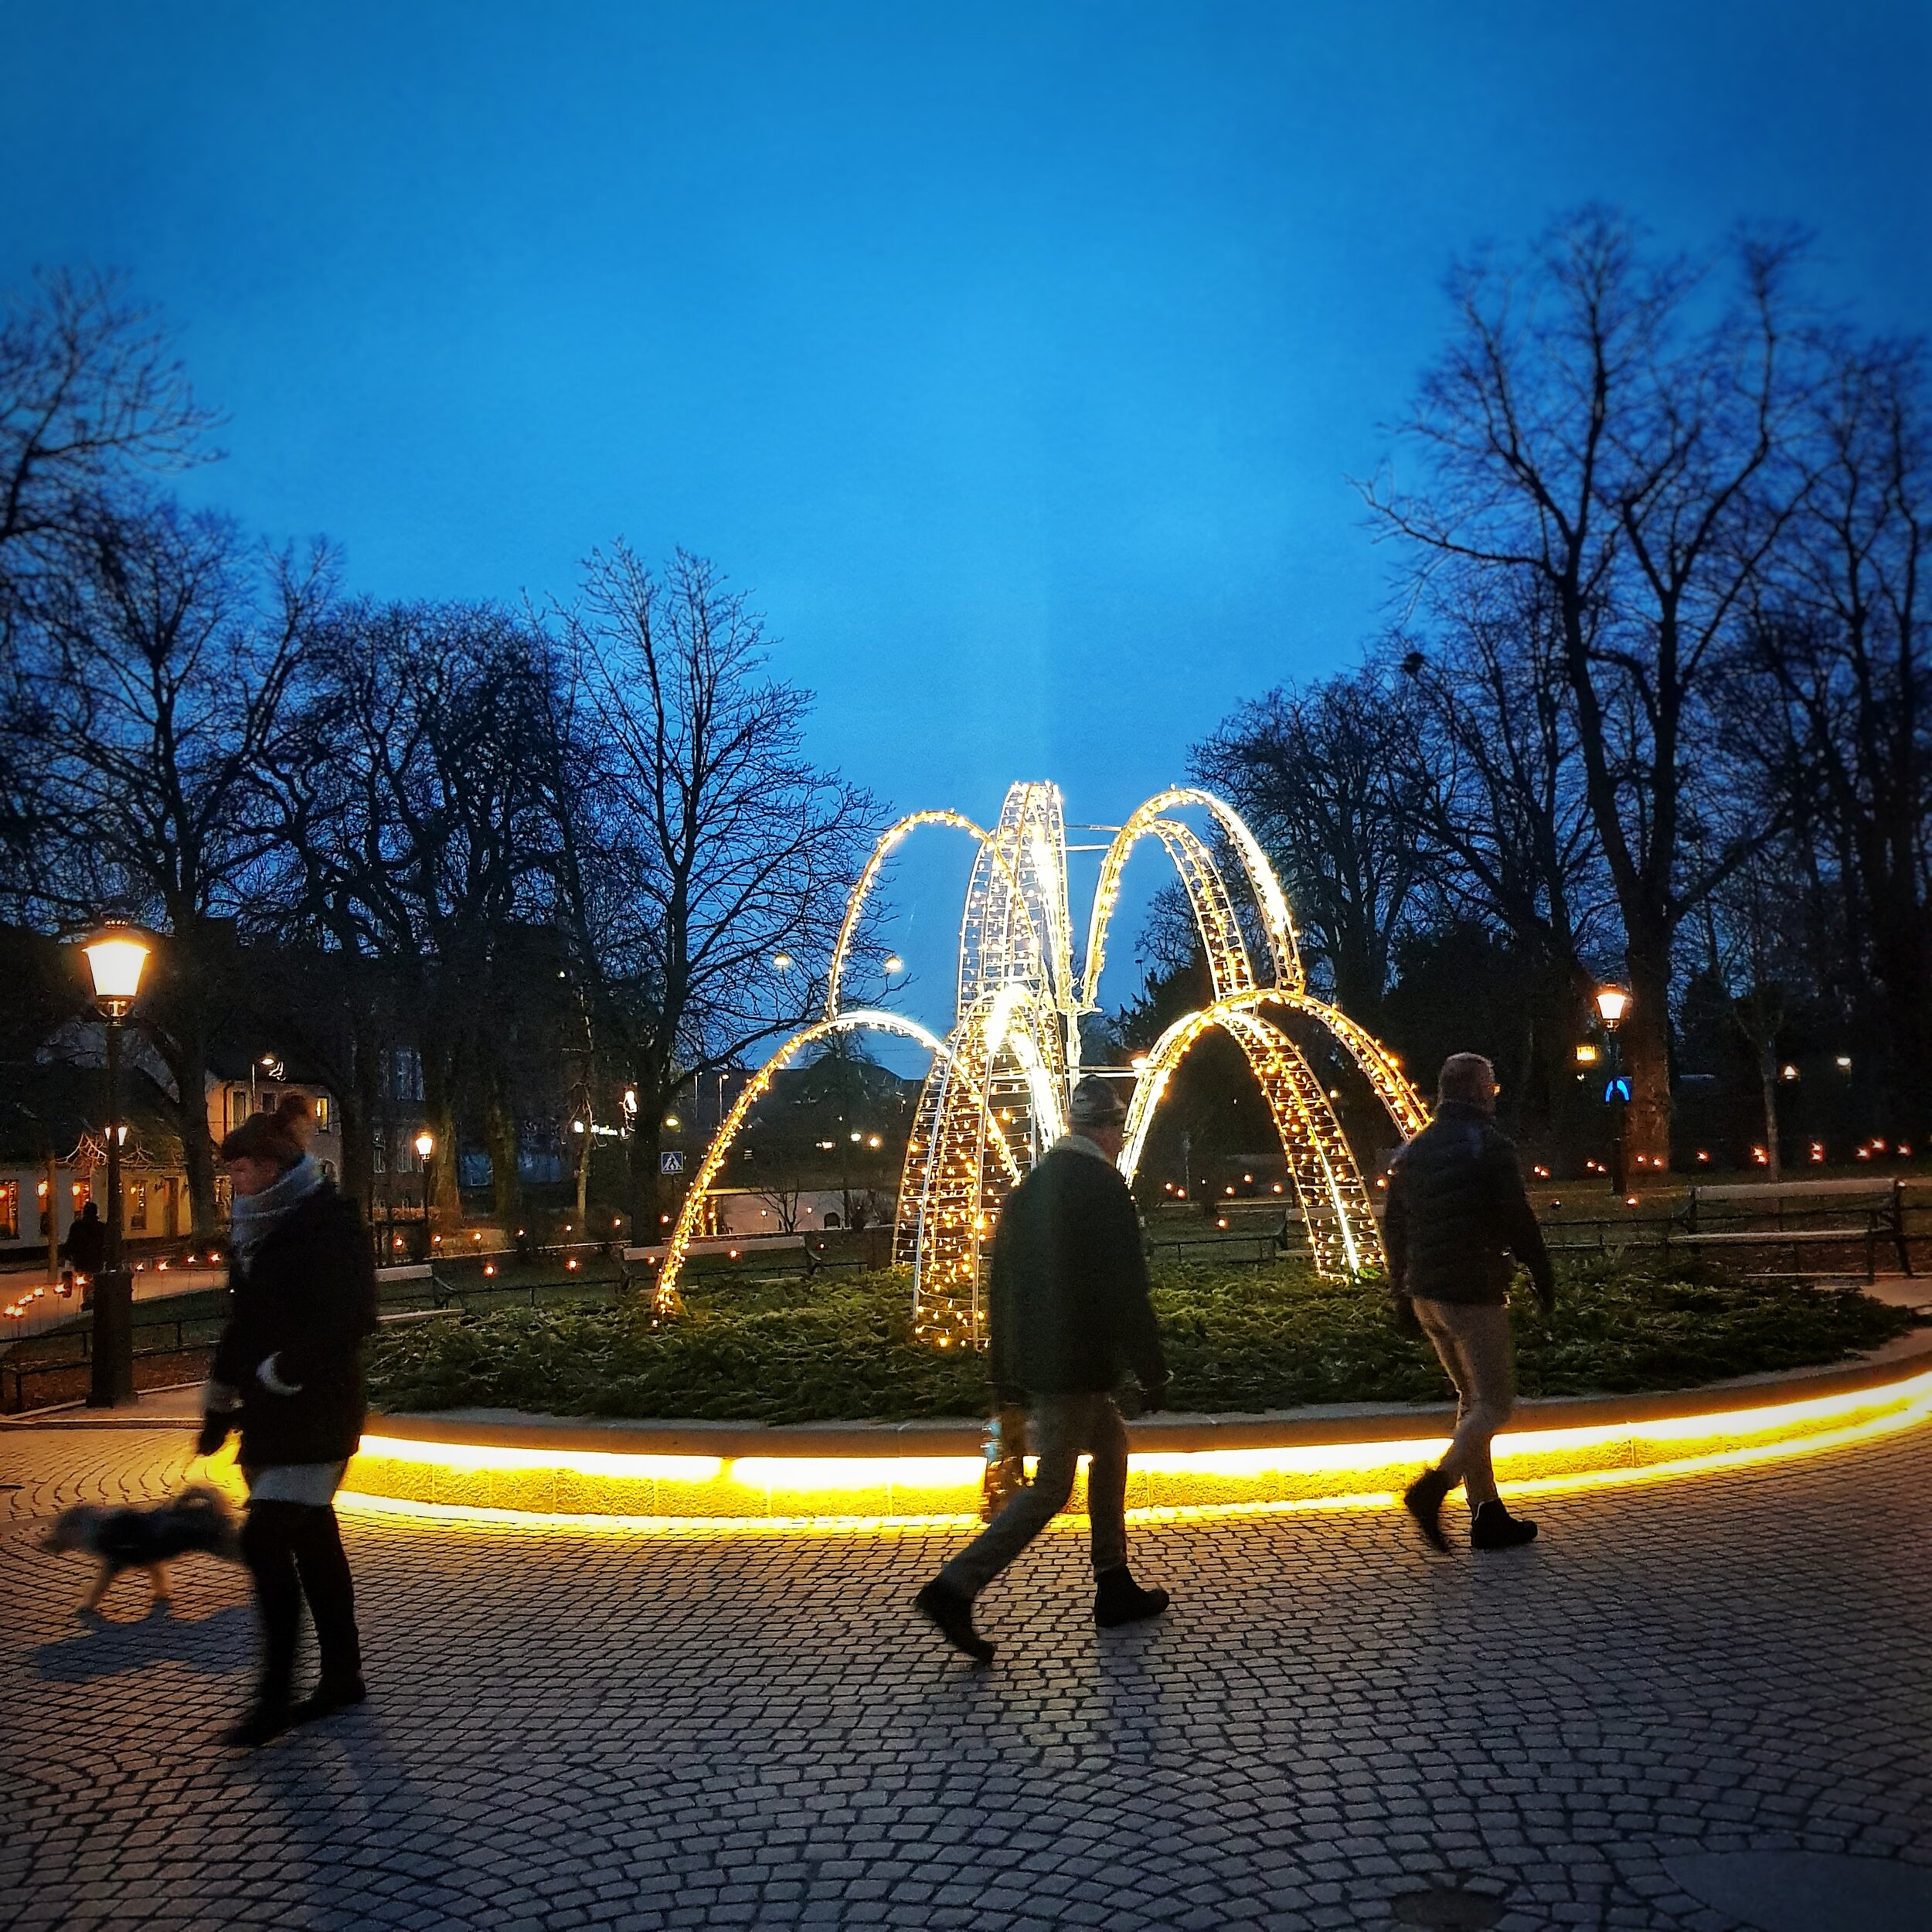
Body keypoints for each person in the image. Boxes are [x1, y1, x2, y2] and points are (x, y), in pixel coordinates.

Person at [914, 1076, 1171, 1662]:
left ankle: (1113, 1583)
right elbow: (1125, 1288)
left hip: (1041, 1358)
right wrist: (1153, 1370)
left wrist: (1002, 1371)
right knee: (1052, 1486)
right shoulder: (1104, 1188)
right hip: (1075, 1364)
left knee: (1112, 1447)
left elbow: (1001, 1287)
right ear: (1106, 1132)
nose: (1119, 1141)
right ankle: (954, 1587)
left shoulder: (1029, 1188)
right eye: (1118, 1131)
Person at [196, 1094, 378, 1746]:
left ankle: (273, 1697)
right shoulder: (254, 1229)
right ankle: (342, 1676)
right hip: (270, 1414)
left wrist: (285, 1371)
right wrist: (220, 1403)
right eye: (230, 1174)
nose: (234, 1183)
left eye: (241, 1170)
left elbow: (353, 1317)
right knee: (312, 1540)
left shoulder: (325, 1224)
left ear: (274, 1166)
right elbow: (246, 1323)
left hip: (317, 1409)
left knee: (264, 1540)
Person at [1386, 1053, 1555, 1553]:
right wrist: (1541, 1272)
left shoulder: (1412, 1150)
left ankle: (1489, 1515)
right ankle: (1432, 1489)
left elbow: (1395, 1227)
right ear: (1479, 1090)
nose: (1494, 1093)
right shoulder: (1490, 1146)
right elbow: (1517, 1218)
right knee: (1497, 1406)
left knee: (1471, 1402)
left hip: (1427, 1296)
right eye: (1492, 1086)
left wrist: (1401, 1290)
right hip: (1472, 1294)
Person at [62, 1200, 106, 1286]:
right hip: (96, 1262)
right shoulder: (101, 1227)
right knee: (94, 1282)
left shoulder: (77, 1226)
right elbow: (105, 1244)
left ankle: (88, 1296)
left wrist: (67, 1256)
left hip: (81, 1261)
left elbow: (71, 1243)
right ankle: (93, 1295)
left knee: (85, 1282)